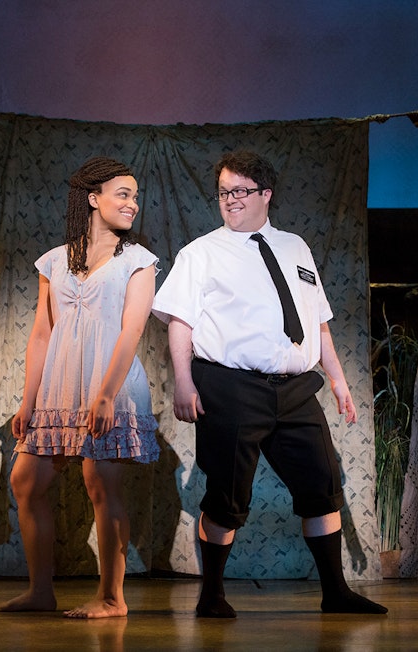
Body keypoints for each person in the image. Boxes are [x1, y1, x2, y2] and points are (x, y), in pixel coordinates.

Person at [151, 150, 387, 618]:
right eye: (224, 192)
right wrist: (183, 382)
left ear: (265, 194)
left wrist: (337, 380)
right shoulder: (201, 252)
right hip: (230, 387)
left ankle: (335, 593)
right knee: (227, 495)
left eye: (240, 191)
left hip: (297, 387)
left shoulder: (296, 246)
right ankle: (212, 593)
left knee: (321, 484)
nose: (230, 200)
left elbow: (318, 322)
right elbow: (179, 321)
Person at [0, 156, 160, 619]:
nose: (132, 204)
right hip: (61, 385)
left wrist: (105, 394)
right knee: (27, 480)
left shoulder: (139, 262)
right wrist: (29, 401)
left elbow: (130, 332)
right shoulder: (54, 261)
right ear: (93, 198)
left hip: (113, 383)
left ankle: (112, 598)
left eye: (135, 196)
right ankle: (40, 591)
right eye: (122, 194)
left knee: (99, 481)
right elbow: (43, 333)